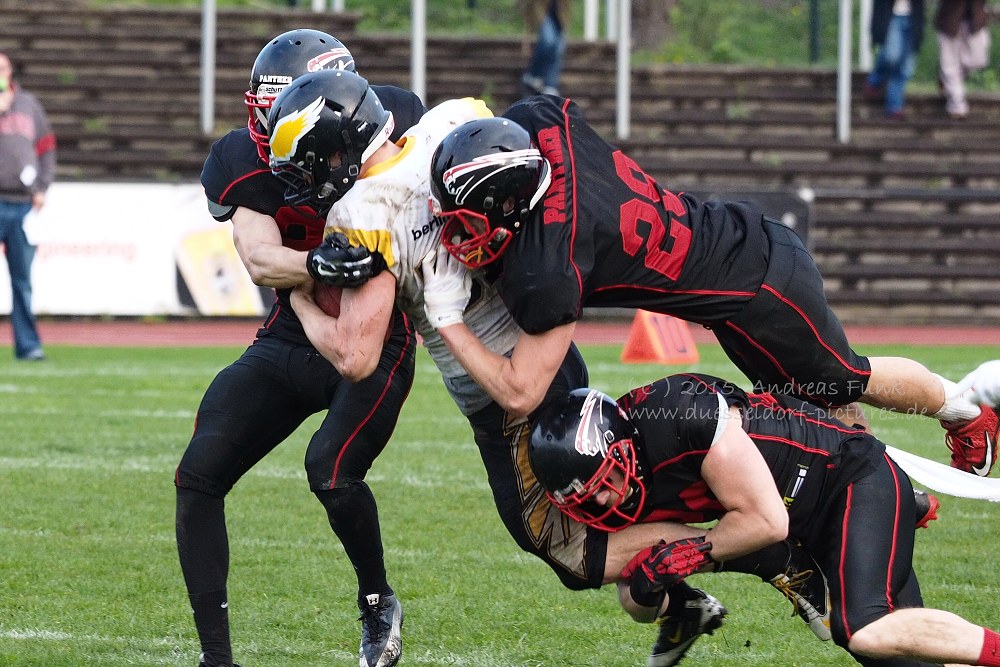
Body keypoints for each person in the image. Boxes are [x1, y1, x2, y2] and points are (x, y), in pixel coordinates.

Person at [266, 69, 837, 666]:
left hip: (505, 384)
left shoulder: (363, 211)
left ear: (333, 150)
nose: (306, 180)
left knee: (567, 548)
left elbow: (356, 357)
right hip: (551, 344)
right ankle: (689, 595)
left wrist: (301, 295)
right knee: (594, 526)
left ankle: (768, 550)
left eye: (308, 162)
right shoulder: (452, 120)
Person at [423, 96, 999, 479]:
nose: (459, 238)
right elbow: (520, 121)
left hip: (761, 289)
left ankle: (963, 411)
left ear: (513, 200)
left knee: (842, 382)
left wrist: (447, 321)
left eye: (469, 222)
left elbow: (522, 392)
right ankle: (888, 489)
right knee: (815, 411)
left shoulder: (548, 265)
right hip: (736, 260)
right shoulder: (541, 123)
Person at [175, 30, 425, 667]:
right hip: (294, 328)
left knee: (332, 471)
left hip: (376, 329)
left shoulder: (393, 120)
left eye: (279, 105)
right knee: (199, 474)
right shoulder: (241, 155)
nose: (263, 122)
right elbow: (259, 259)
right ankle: (216, 658)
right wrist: (321, 264)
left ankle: (377, 604)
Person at [527, 377, 1000, 667]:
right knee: (903, 658)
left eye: (606, 480)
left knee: (864, 627)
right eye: (588, 499)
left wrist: (689, 553)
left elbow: (767, 520)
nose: (607, 500)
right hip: (804, 516)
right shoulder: (628, 475)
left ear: (622, 446)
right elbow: (636, 593)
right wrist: (661, 588)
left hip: (850, 479)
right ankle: (784, 565)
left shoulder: (678, 416)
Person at [0, 51, 55, 362]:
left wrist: (42, 186)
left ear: (11, 72)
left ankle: (28, 345)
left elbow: (46, 148)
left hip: (22, 205)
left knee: (22, 281)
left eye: (3, 68)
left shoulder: (29, 104)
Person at [862, 0, 927, 119]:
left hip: (914, 18)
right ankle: (875, 80)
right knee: (891, 56)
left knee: (906, 67)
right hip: (891, 16)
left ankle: (894, 107)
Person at [934, 0, 991, 120]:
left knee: (978, 60)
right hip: (949, 20)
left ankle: (946, 81)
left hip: (976, 20)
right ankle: (957, 105)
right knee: (949, 65)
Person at [520, 0, 571, 97]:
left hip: (559, 12)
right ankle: (533, 74)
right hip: (541, 10)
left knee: (559, 48)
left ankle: (550, 84)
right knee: (548, 40)